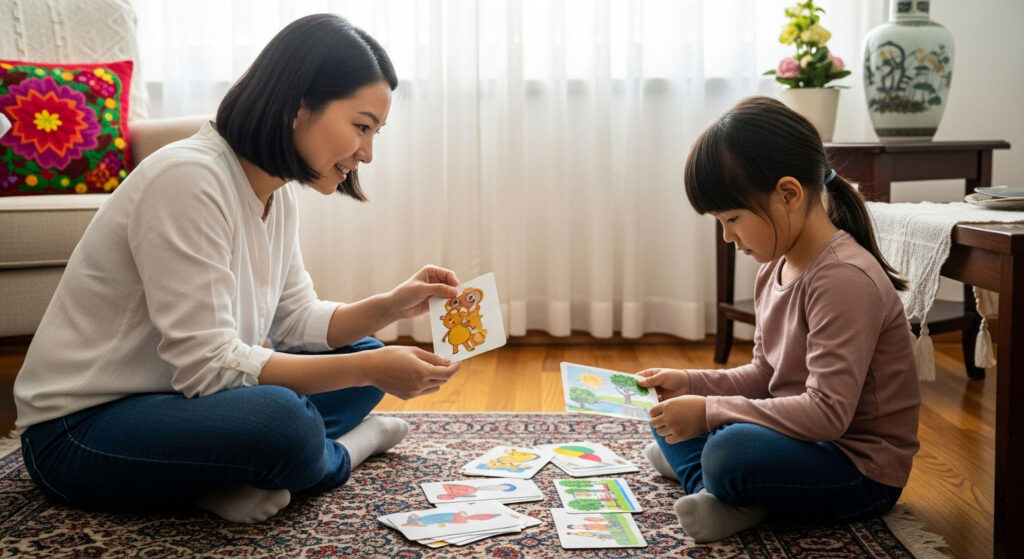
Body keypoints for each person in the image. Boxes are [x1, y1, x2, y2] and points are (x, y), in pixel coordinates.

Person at [13, 14, 462, 524]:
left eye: (375, 132)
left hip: (181, 403)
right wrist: (364, 371)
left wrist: (390, 306)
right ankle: (344, 452)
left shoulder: (275, 189)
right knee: (284, 424)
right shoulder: (189, 179)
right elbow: (210, 368)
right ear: (298, 107)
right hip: (80, 431)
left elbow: (296, 322)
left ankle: (221, 476)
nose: (368, 153)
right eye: (361, 127)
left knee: (364, 357)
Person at [637, 96, 920, 542]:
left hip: (857, 471)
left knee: (728, 452)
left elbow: (828, 414)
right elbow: (765, 374)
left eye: (732, 218)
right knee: (664, 408)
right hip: (802, 438)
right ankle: (715, 490)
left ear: (788, 194)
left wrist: (709, 412)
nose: (728, 236)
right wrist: (691, 383)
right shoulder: (775, 267)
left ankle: (708, 480)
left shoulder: (842, 278)